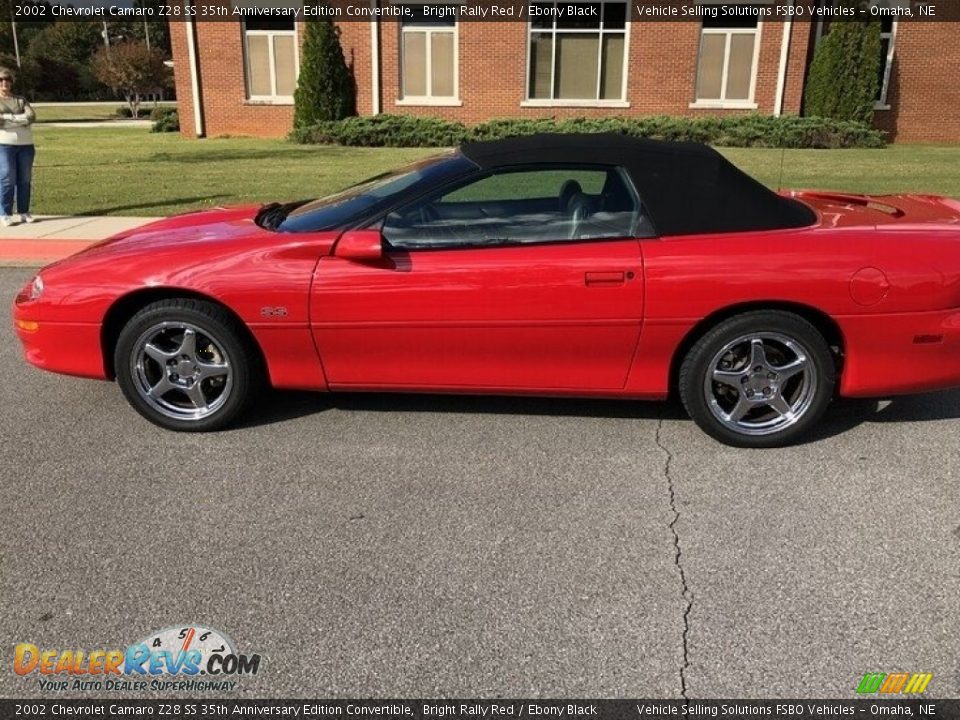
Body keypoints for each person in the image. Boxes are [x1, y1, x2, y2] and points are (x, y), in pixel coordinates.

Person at [0, 66, 36, 227]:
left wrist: (9, 119)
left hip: (25, 145)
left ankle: (23, 212)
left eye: (7, 79)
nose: (4, 83)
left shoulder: (21, 100)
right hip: (5, 145)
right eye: (0, 80)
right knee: (7, 178)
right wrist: (19, 119)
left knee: (25, 180)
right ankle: (5, 213)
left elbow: (31, 116)